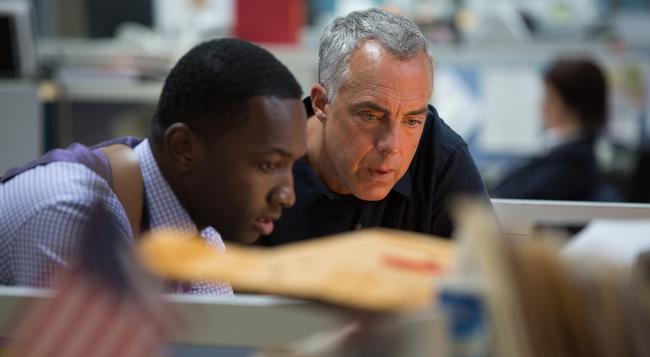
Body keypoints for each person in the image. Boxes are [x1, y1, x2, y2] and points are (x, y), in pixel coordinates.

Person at [0, 38, 307, 291]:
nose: (287, 195)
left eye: (291, 166)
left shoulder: (198, 235)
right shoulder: (71, 211)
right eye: (268, 165)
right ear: (183, 147)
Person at [257, 8, 488, 246]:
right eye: (371, 116)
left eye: (412, 121)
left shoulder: (442, 160)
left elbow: (487, 278)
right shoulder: (256, 162)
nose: (392, 145)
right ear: (322, 103)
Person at [492, 57, 609, 201]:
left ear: (573, 106)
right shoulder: (559, 149)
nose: (542, 106)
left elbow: (519, 199)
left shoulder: (572, 164)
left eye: (550, 97)